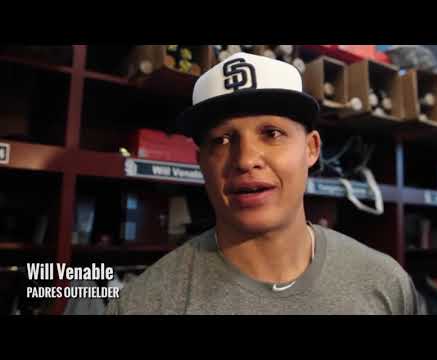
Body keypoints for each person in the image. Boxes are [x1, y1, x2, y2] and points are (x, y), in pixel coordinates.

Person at [105, 52, 419, 315]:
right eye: (222, 139)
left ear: (311, 149)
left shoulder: (385, 282)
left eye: (271, 133)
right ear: (201, 162)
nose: (244, 159)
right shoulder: (142, 304)